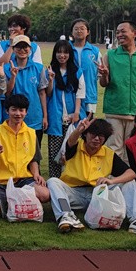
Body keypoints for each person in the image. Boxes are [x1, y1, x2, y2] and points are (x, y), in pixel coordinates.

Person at [46, 115, 136, 237]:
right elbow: (71, 142)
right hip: (73, 193)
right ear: (85, 134)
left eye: (101, 136)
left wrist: (112, 181)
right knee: (53, 181)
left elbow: (131, 173)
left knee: (129, 183)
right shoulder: (76, 146)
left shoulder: (108, 154)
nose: (97, 139)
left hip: (98, 195)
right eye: (93, 135)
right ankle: (66, 215)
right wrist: (78, 130)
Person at [0, 94, 50, 218]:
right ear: (7, 111)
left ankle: (13, 201)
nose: (18, 114)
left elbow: (33, 159)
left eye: (21, 110)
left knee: (44, 194)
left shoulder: (31, 133)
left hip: (22, 179)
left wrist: (36, 174)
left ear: (26, 112)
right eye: (14, 110)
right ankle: (15, 202)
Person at [98, 20, 136, 160]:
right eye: (117, 32)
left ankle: (130, 175)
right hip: (114, 110)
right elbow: (103, 83)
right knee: (113, 149)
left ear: (134, 33)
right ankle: (114, 175)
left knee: (132, 150)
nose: (119, 35)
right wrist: (105, 75)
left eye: (123, 31)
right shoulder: (110, 55)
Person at [45, 39, 86, 178]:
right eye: (59, 52)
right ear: (55, 53)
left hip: (73, 117)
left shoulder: (77, 71)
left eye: (65, 52)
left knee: (72, 150)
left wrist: (76, 112)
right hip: (55, 117)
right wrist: (51, 80)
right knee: (55, 152)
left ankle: (71, 180)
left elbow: (80, 93)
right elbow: (48, 93)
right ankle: (54, 181)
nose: (62, 55)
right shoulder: (50, 70)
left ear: (70, 54)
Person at [3, 35, 49, 146]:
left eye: (25, 47)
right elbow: (7, 93)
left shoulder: (38, 68)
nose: (22, 50)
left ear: (30, 49)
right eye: (18, 47)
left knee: (34, 152)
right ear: (13, 49)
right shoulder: (6, 68)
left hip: (34, 117)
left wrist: (45, 116)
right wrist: (13, 76)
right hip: (14, 118)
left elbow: (42, 93)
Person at [70, 18, 100, 116]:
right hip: (69, 95)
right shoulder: (66, 49)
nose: (79, 31)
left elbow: (99, 73)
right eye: (76, 29)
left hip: (89, 96)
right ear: (72, 32)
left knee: (87, 123)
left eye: (82, 28)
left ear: (88, 32)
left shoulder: (94, 51)